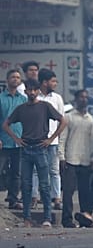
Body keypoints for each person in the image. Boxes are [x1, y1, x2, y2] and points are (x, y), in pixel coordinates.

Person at [2, 79, 67, 227]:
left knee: (44, 185)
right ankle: (27, 218)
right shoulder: (21, 108)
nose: (32, 92)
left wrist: (51, 139)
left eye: (34, 90)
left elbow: (63, 121)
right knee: (26, 185)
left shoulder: (45, 106)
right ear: (25, 91)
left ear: (38, 90)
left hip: (41, 148)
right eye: (29, 90)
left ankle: (47, 218)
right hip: (26, 148)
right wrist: (16, 138)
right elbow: (5, 124)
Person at [60, 90, 93, 228]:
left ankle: (84, 217)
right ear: (76, 99)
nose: (84, 99)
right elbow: (62, 138)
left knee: (84, 191)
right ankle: (67, 219)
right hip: (71, 158)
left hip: (85, 160)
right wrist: (61, 157)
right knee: (68, 191)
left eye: (86, 97)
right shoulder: (68, 117)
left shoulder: (90, 119)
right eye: (81, 97)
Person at [37, 69, 65, 211]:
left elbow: (62, 120)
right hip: (36, 140)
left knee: (54, 170)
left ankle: (57, 198)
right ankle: (35, 197)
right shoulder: (36, 97)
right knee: (37, 171)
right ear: (44, 82)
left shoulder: (57, 98)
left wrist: (56, 139)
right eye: (53, 81)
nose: (55, 83)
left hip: (52, 141)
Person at [1, 69, 26, 209]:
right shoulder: (0, 98)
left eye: (18, 77)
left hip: (19, 141)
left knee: (17, 172)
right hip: (3, 141)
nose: (15, 79)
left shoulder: (23, 99)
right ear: (7, 80)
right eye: (13, 77)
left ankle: (13, 199)